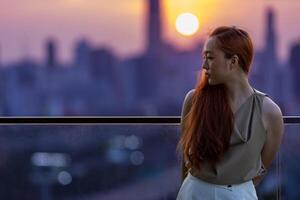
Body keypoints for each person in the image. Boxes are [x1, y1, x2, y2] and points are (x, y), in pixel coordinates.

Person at [176, 26, 284, 200]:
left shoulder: (270, 112)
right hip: (193, 193)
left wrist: (233, 188)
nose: (204, 66)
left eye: (210, 58)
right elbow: (185, 160)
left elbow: (261, 169)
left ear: (233, 61)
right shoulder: (194, 100)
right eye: (204, 58)